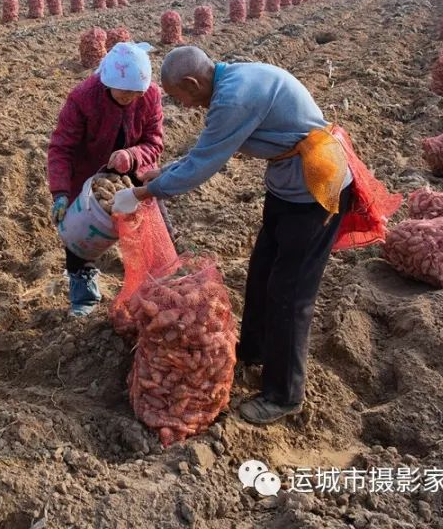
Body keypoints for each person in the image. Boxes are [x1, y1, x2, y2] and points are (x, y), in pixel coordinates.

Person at [122, 46, 362, 426]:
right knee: (262, 271)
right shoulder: (228, 83)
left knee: (290, 294)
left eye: (179, 97)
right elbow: (207, 150)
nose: (182, 106)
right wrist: (162, 173)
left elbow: (204, 163)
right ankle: (253, 350)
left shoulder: (234, 97)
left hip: (317, 190)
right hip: (288, 185)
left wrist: (141, 193)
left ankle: (284, 395)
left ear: (192, 82)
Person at [46, 42, 165, 317]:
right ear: (107, 82)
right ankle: (83, 297)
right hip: (89, 173)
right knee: (78, 237)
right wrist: (61, 193)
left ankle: (152, 291)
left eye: (136, 93)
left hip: (135, 172)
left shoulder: (149, 95)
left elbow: (155, 142)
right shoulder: (83, 98)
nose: (129, 98)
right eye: (124, 91)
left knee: (150, 230)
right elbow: (62, 148)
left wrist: (131, 155)